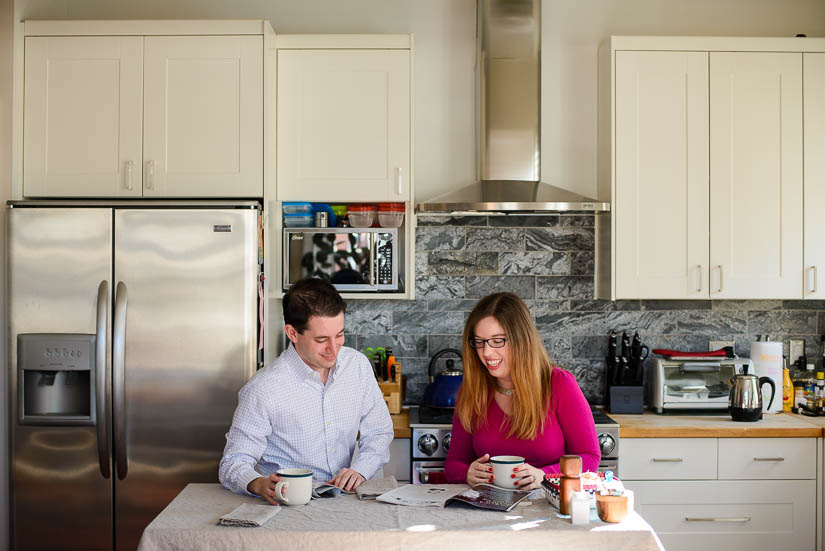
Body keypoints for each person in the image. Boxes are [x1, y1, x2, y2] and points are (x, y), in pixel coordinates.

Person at [219, 277, 394, 504]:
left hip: (348, 502)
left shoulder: (357, 366)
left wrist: (360, 470)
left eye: (339, 335)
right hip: (289, 506)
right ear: (292, 333)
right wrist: (259, 484)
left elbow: (379, 432)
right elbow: (233, 461)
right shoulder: (263, 389)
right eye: (321, 339)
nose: (333, 349)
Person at [444, 292, 600, 489]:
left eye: (498, 340)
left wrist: (543, 475)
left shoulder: (559, 384)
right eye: (480, 342)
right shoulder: (472, 390)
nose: (486, 352)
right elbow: (453, 464)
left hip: (547, 507)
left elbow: (590, 458)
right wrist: (467, 473)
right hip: (488, 507)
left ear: (522, 340)